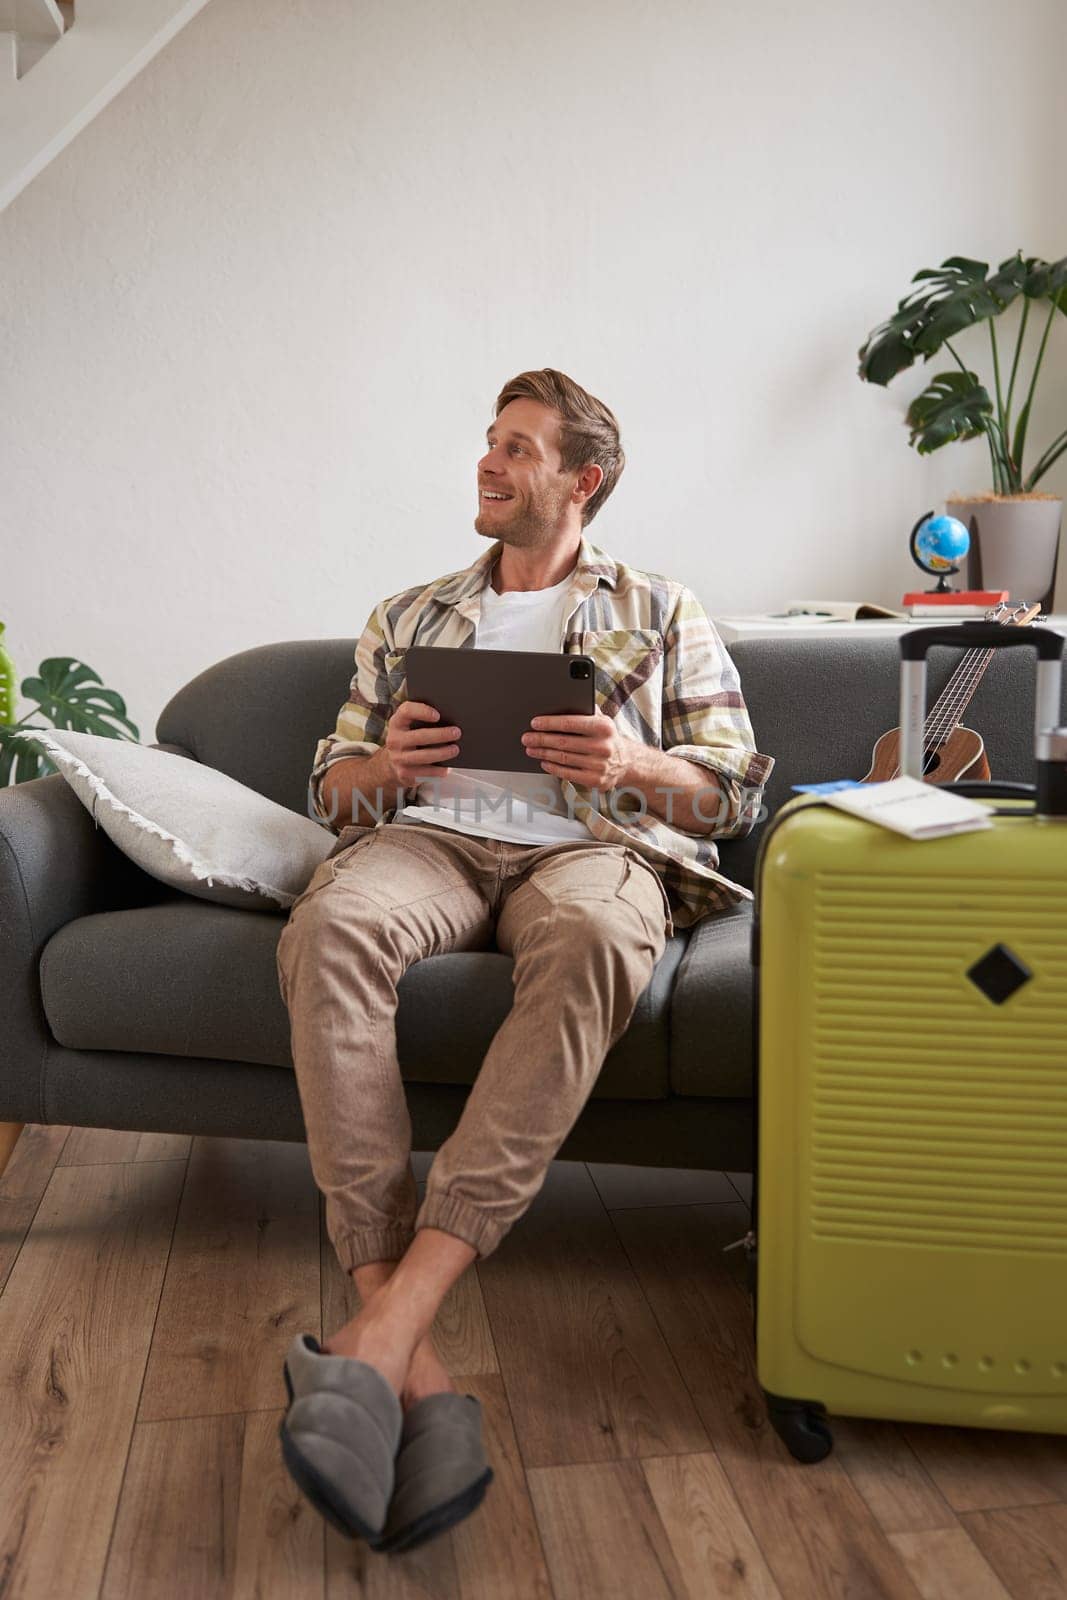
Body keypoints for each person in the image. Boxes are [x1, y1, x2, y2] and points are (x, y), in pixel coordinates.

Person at [275, 368, 773, 1551]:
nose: (487, 465)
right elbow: (331, 787)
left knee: (603, 934)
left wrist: (633, 763)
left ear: (580, 479)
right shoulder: (408, 614)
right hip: (432, 843)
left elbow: (730, 793)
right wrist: (385, 761)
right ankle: (396, 1335)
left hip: (589, 852)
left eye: (515, 447)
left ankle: (393, 1325)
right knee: (331, 927)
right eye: (488, 444)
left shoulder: (659, 608)